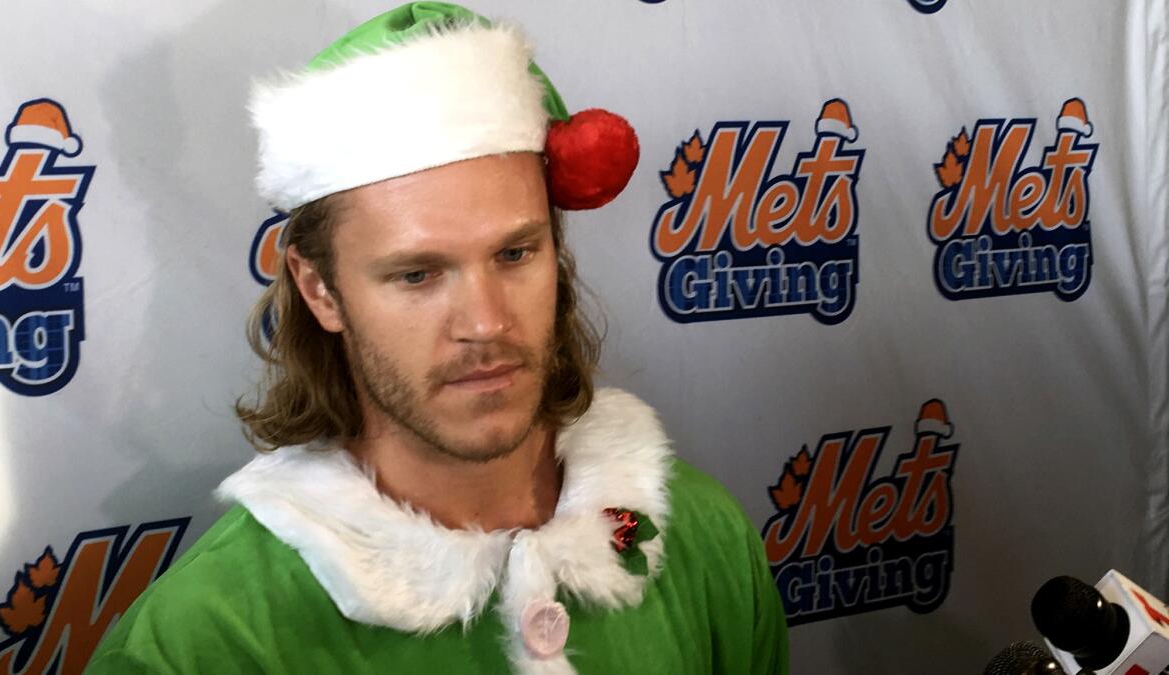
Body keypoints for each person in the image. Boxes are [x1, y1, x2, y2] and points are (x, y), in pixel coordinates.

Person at [85, 3, 789, 673]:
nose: (485, 322)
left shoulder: (701, 534)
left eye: (515, 254)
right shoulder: (202, 640)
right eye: (417, 274)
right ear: (320, 289)